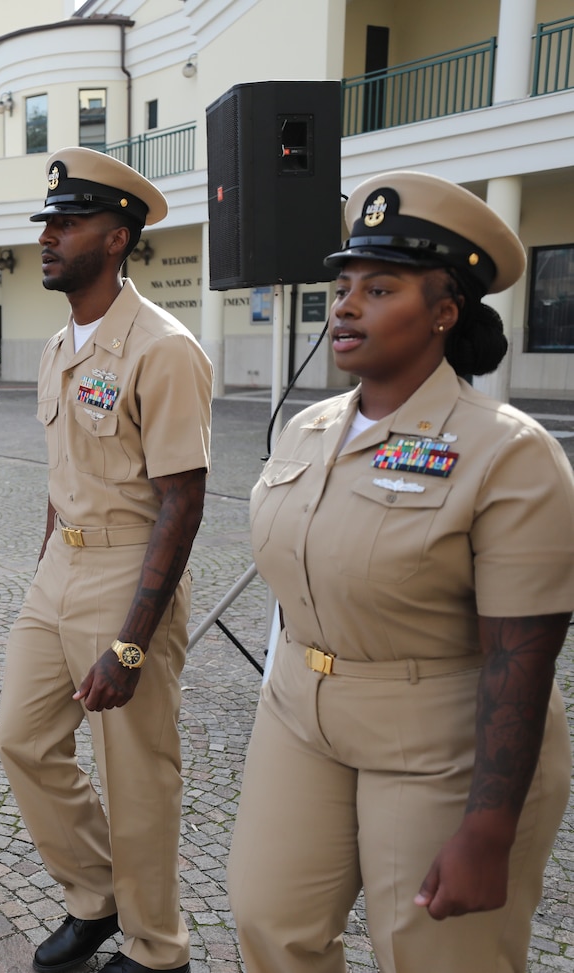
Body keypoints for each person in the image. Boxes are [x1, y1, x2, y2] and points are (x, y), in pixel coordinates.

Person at [228, 172, 574, 973]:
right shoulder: (307, 430)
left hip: (438, 732)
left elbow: (523, 658)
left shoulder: (510, 454)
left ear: (445, 311)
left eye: (378, 289)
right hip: (299, 711)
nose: (344, 306)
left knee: (434, 956)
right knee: (268, 919)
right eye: (342, 287)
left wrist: (488, 831)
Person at [0, 147, 211, 973]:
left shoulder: (162, 347)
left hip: (129, 571)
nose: (48, 237)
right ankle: (96, 896)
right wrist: (50, 568)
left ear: (118, 238)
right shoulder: (58, 347)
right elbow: (61, 475)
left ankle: (160, 949)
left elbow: (183, 503)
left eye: (68, 222)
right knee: (21, 737)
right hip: (62, 570)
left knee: (137, 774)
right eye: (47, 223)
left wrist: (131, 639)